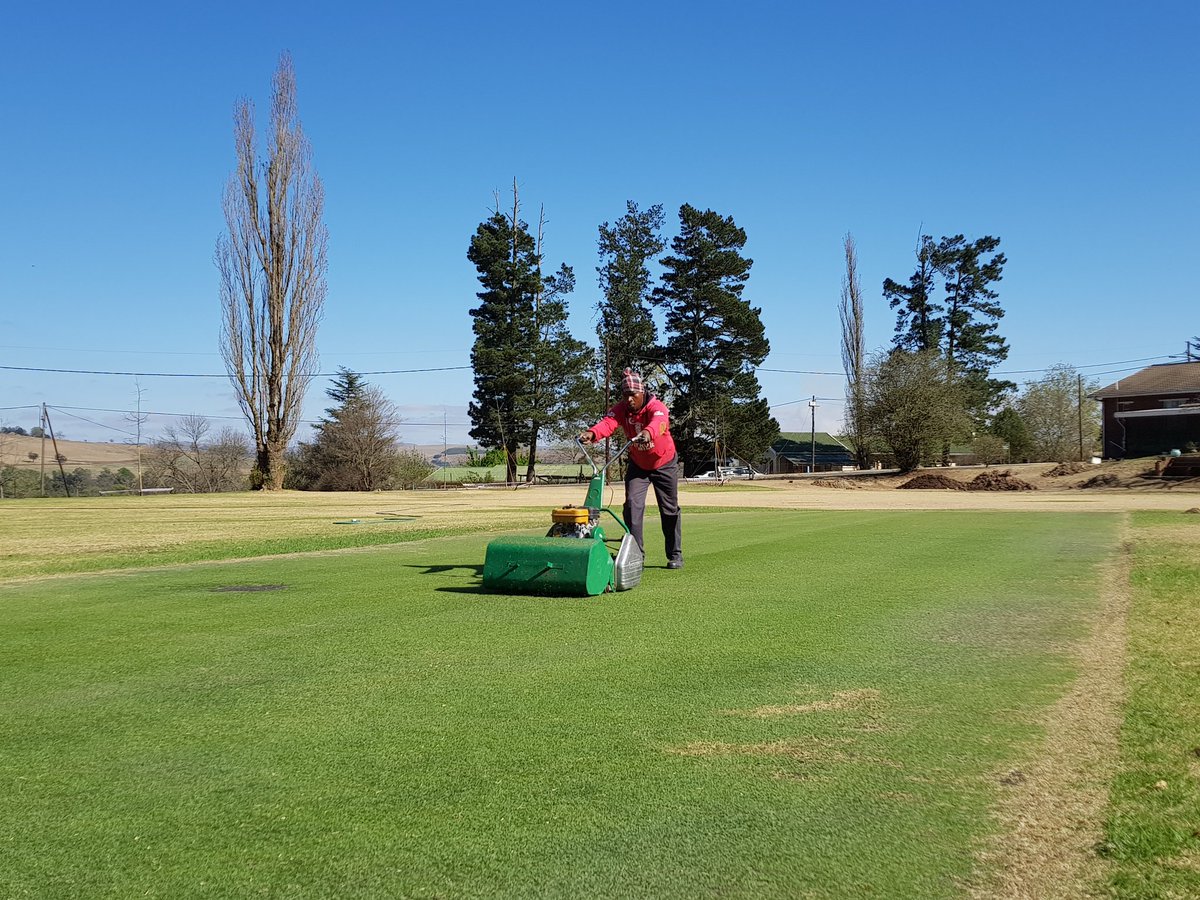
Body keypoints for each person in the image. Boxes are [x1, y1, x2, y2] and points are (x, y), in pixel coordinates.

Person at [580, 368, 683, 569]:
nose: (628, 400)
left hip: (664, 463)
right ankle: (636, 555)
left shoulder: (657, 407)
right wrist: (592, 433)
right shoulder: (622, 409)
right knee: (632, 506)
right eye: (625, 395)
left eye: (632, 395)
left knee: (669, 509)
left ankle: (675, 554)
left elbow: (660, 422)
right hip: (638, 465)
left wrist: (647, 432)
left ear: (642, 393)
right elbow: (608, 423)